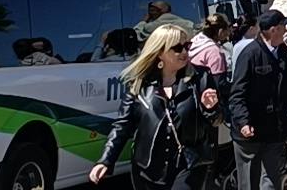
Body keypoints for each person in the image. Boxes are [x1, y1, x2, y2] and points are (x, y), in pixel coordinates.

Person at [90, 25, 220, 190]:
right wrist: (105, 160)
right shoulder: (139, 83)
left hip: (188, 166)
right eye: (177, 48)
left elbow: (216, 120)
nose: (185, 52)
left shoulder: (200, 77)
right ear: (160, 53)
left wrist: (211, 108)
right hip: (147, 168)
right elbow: (122, 125)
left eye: (187, 46)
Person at [229, 10, 287, 190]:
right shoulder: (250, 55)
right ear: (274, 30)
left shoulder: (283, 53)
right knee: (250, 183)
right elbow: (237, 94)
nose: (286, 31)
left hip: (275, 129)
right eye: (284, 27)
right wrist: (243, 122)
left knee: (272, 181)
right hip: (250, 134)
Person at [188, 14, 231, 84]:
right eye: (227, 30)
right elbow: (219, 84)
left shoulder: (195, 43)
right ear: (220, 32)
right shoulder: (214, 51)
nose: (228, 34)